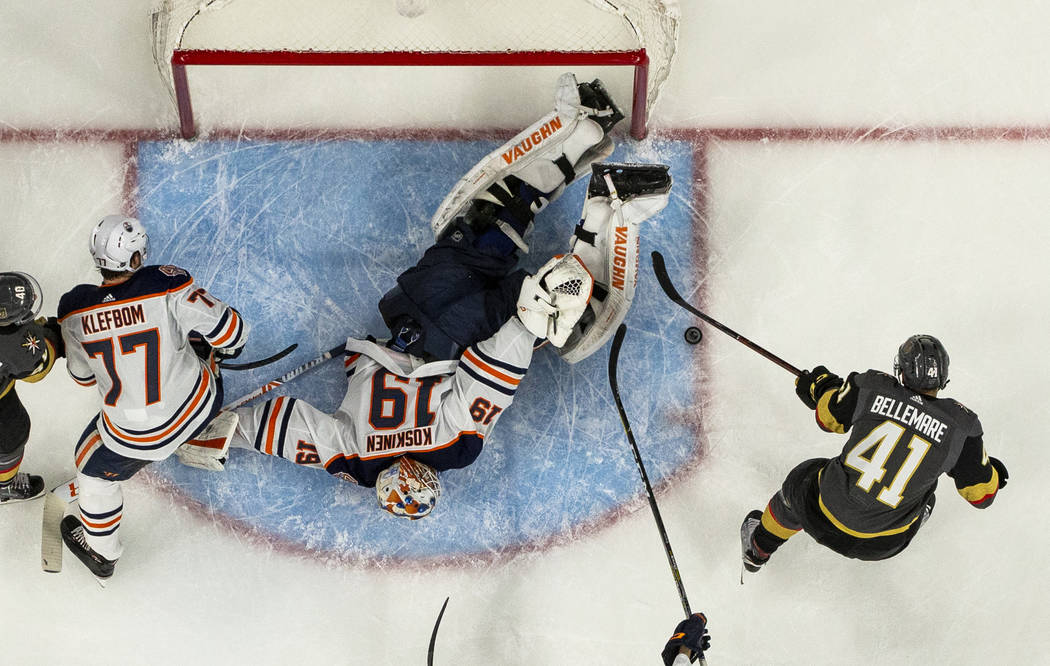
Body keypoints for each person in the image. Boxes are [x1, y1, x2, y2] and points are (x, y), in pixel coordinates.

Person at [197, 73, 673, 519]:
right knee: (488, 227)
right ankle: (584, 126)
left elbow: (489, 380)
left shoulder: (450, 449)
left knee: (573, 313)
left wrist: (529, 324)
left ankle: (610, 203)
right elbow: (289, 432)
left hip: (473, 333)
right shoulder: (357, 459)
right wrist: (226, 432)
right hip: (416, 309)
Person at [56, 214, 249, 579]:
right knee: (198, 344)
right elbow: (231, 332)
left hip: (133, 440)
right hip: (199, 406)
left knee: (91, 471)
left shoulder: (74, 310)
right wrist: (219, 346)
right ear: (136, 257)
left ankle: (101, 552)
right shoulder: (165, 283)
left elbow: (81, 377)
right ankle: (195, 436)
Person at [740, 334, 1008, 572]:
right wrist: (988, 471)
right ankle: (909, 515)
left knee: (805, 477)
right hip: (885, 543)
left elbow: (829, 418)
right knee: (927, 495)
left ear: (901, 370)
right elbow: (982, 495)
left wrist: (821, 386)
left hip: (823, 516)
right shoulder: (963, 428)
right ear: (944, 377)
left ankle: (759, 548)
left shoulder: (870, 386)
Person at [0, 271, 65, 504]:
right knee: (12, 436)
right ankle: (2, 486)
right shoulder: (12, 345)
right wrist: (53, 338)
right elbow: (37, 370)